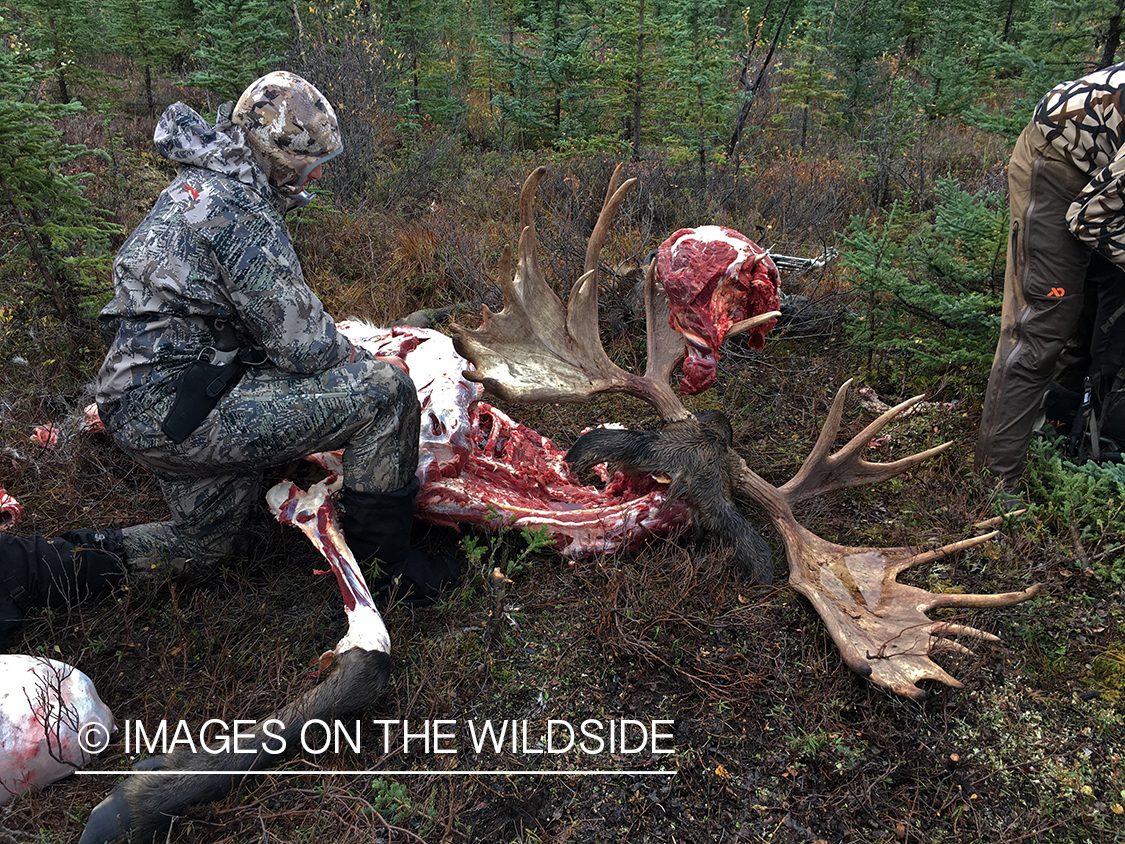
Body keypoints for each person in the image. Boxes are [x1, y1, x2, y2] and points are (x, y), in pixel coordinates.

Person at [1, 71, 459, 646]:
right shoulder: (239, 212)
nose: (318, 174)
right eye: (312, 162)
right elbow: (304, 345)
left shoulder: (202, 184)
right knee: (385, 396)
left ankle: (25, 568)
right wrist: (365, 355)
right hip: (182, 408)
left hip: (143, 404)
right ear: (281, 159)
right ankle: (392, 575)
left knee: (207, 546)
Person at [975, 62, 1125, 499]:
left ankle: (1061, 440)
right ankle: (995, 487)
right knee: (1043, 320)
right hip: (1058, 162)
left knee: (1097, 320)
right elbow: (1089, 218)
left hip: (1108, 177)